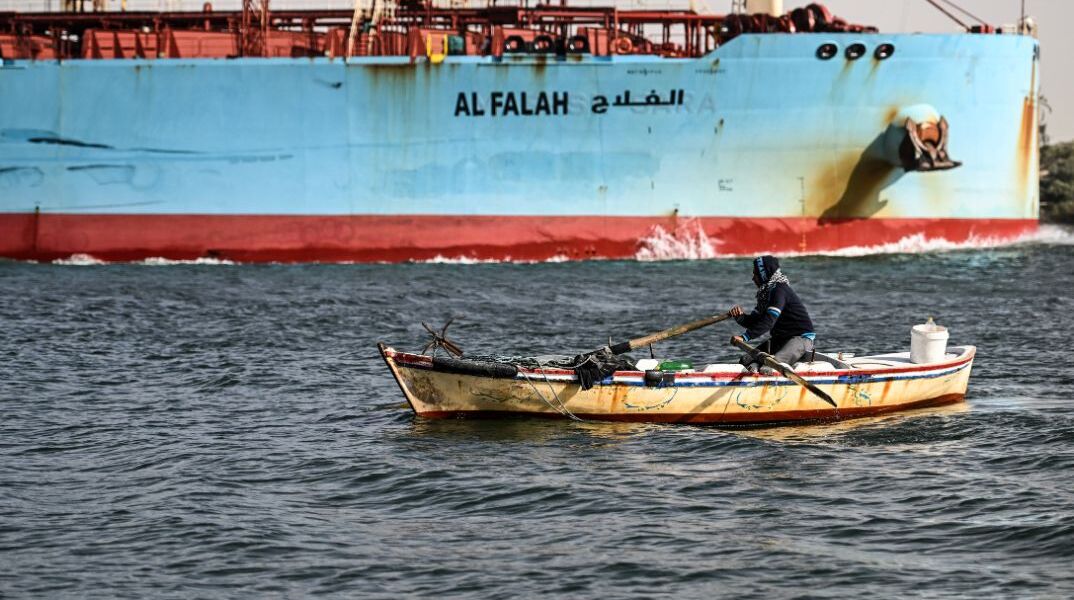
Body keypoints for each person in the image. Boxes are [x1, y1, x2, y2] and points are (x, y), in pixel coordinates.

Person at [729, 255, 816, 373]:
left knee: (770, 367)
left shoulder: (779, 290)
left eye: (755, 274)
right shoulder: (765, 294)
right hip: (780, 339)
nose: (753, 278)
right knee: (745, 361)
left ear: (763, 274)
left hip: (801, 339)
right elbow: (756, 322)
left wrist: (745, 337)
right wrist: (740, 317)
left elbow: (769, 321)